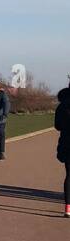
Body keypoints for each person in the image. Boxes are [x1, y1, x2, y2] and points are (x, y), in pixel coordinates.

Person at [56, 88, 70, 217]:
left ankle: (67, 208)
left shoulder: (62, 105)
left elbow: (57, 126)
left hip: (67, 143)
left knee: (69, 175)